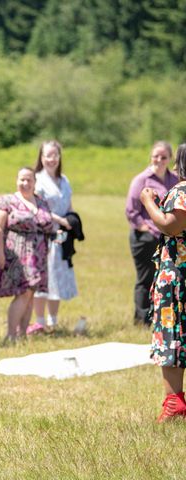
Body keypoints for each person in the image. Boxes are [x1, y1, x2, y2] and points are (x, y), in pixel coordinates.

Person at [139, 143, 186, 422]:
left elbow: (171, 225)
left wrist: (148, 202)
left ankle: (174, 403)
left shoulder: (182, 191)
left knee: (173, 335)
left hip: (178, 276)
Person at [0, 167, 53, 342]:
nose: (25, 183)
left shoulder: (41, 202)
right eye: (22, 180)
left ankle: (22, 334)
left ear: (35, 182)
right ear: (16, 180)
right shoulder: (6, 201)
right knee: (23, 292)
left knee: (31, 293)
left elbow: (49, 224)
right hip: (17, 254)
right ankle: (11, 335)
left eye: (29, 180)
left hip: (39, 256)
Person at [126, 141, 178, 325]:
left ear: (170, 159)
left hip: (168, 238)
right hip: (145, 237)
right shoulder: (141, 180)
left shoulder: (175, 179)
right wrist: (146, 228)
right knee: (145, 277)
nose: (159, 160)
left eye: (164, 157)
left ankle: (160, 317)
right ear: (151, 156)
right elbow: (131, 210)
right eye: (156, 156)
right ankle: (141, 319)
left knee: (164, 279)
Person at [30, 140, 78, 333]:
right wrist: (60, 220)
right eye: (47, 155)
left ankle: (53, 320)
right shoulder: (38, 180)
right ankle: (40, 321)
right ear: (41, 158)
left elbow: (69, 206)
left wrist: (72, 221)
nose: (51, 159)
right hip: (43, 233)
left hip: (61, 235)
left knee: (57, 276)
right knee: (43, 277)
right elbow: (37, 208)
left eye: (54, 155)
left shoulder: (64, 180)